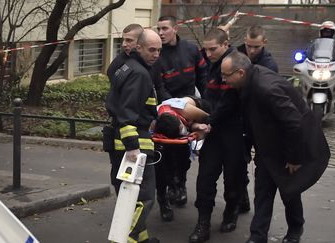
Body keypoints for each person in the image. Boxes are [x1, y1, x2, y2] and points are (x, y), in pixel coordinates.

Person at [220, 51, 330, 243]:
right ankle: (258, 235)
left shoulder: (266, 88)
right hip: (267, 146)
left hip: (290, 146)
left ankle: (295, 229)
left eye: (226, 75)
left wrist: (294, 158)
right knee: (263, 190)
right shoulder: (250, 80)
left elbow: (293, 122)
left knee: (289, 190)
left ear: (240, 73)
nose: (223, 79)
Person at [105, 25, 162, 243]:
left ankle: (142, 238)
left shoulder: (126, 67)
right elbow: (127, 113)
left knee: (129, 195)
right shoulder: (140, 74)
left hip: (121, 142)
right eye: (151, 50)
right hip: (134, 143)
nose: (156, 55)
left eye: (159, 50)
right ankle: (126, 238)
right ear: (138, 48)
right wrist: (132, 146)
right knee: (144, 197)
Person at [188, 28, 245, 243]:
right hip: (212, 132)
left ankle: (231, 210)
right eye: (206, 49)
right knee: (205, 178)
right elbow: (208, 97)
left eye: (213, 49)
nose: (208, 53)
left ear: (225, 44)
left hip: (233, 131)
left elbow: (229, 103)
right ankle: (203, 222)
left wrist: (208, 122)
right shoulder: (211, 65)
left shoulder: (236, 65)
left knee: (233, 178)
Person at [152, 15, 208, 221]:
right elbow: (160, 87)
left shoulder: (191, 50)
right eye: (159, 29)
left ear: (175, 28)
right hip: (168, 110)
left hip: (189, 104)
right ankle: (164, 197)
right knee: (163, 156)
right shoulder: (157, 56)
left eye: (165, 28)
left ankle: (180, 185)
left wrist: (203, 103)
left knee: (183, 153)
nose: (161, 33)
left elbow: (203, 76)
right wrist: (173, 107)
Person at [236, 24, 279, 214]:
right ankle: (242, 195)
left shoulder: (269, 65)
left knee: (262, 165)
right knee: (238, 162)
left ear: (264, 43)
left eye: (256, 47)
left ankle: (260, 203)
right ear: (245, 41)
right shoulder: (236, 55)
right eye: (249, 46)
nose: (252, 50)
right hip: (241, 118)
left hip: (261, 123)